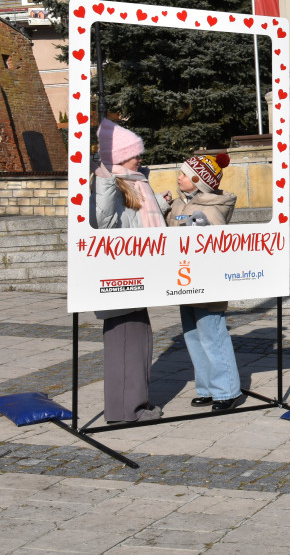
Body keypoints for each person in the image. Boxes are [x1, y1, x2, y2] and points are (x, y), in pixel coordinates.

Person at [90, 119, 165, 424]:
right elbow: (104, 221)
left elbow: (133, 219)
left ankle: (135, 404)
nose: (140, 158)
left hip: (135, 277)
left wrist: (160, 203)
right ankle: (127, 411)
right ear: (119, 157)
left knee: (138, 343)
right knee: (127, 345)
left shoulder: (133, 182)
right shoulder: (108, 185)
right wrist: (105, 177)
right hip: (119, 278)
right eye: (135, 154)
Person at [161, 153, 243, 410]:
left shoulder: (210, 211)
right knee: (194, 337)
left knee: (213, 336)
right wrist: (163, 208)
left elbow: (216, 249)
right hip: (185, 281)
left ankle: (226, 390)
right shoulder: (179, 204)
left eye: (185, 174)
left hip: (207, 285)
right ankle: (207, 387)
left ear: (199, 180)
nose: (179, 177)